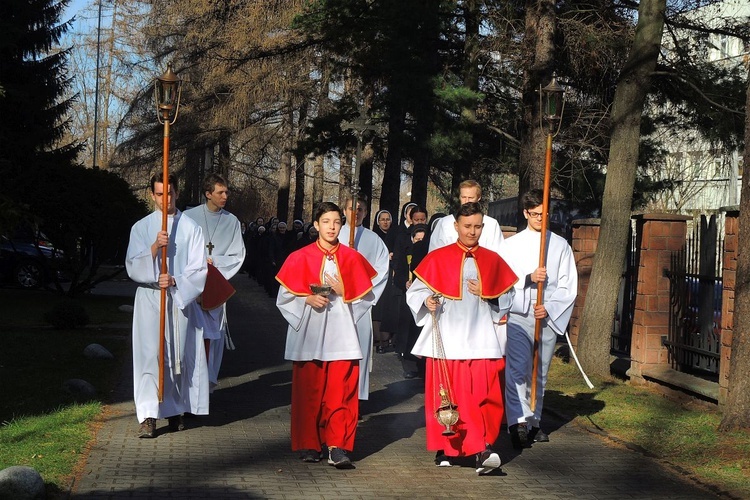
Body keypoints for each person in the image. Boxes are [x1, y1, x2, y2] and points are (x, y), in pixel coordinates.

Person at [406, 202, 517, 474]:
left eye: (478, 226)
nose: (472, 232)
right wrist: (427, 300)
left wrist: (489, 289)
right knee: (450, 397)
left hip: (480, 338)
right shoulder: (438, 257)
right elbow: (415, 292)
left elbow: (509, 297)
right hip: (448, 339)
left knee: (485, 395)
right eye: (467, 226)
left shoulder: (493, 259)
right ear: (456, 226)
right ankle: (456, 448)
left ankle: (483, 445)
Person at [275, 202, 377, 469]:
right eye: (327, 222)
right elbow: (284, 298)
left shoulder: (353, 258)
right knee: (309, 392)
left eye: (337, 222)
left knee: (341, 393)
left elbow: (368, 298)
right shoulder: (299, 257)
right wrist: (306, 299)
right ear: (316, 225)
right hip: (310, 334)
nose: (332, 227)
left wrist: (346, 290)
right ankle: (310, 442)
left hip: (342, 335)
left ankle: (337, 446)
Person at [125, 173, 208, 438]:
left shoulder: (191, 228)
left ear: (176, 192)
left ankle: (174, 408)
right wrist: (153, 248)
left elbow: (199, 270)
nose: (166, 199)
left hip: (177, 297)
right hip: (150, 298)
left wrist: (175, 279)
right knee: (150, 355)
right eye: (160, 194)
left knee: (177, 355)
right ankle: (148, 414)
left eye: (170, 193)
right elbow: (131, 265)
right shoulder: (141, 226)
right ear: (152, 195)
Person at [499, 189, 578, 449]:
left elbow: (568, 285)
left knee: (540, 370)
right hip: (520, 314)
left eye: (544, 214)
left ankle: (534, 421)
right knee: (518, 370)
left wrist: (551, 308)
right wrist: (529, 278)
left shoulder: (560, 245)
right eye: (534, 215)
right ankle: (518, 422)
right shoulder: (511, 245)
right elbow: (504, 281)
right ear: (525, 213)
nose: (540, 219)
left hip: (545, 314)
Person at [184, 173, 246, 392]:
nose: (225, 196)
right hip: (192, 286)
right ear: (208, 194)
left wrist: (215, 262)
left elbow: (237, 255)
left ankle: (208, 383)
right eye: (220, 192)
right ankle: (190, 384)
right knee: (192, 335)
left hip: (216, 287)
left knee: (215, 336)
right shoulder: (188, 218)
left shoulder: (232, 221)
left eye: (226, 192)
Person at [339, 194, 390, 400]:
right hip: (336, 302)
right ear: (344, 211)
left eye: (360, 209)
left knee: (358, 349)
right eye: (351, 208)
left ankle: (356, 397)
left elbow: (382, 269)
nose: (356, 213)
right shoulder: (334, 234)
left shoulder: (373, 239)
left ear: (366, 213)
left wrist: (362, 290)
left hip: (361, 303)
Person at [392, 205, 428, 378]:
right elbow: (397, 273)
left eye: (423, 240)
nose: (419, 243)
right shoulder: (406, 251)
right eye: (417, 240)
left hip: (425, 299)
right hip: (409, 297)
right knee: (408, 332)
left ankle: (423, 366)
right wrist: (403, 282)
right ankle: (410, 365)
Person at [429, 180, 504, 253]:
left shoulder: (491, 225)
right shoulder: (444, 223)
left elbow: (499, 256)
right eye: (463, 197)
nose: (466, 201)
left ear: (478, 198)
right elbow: (434, 253)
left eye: (471, 198)